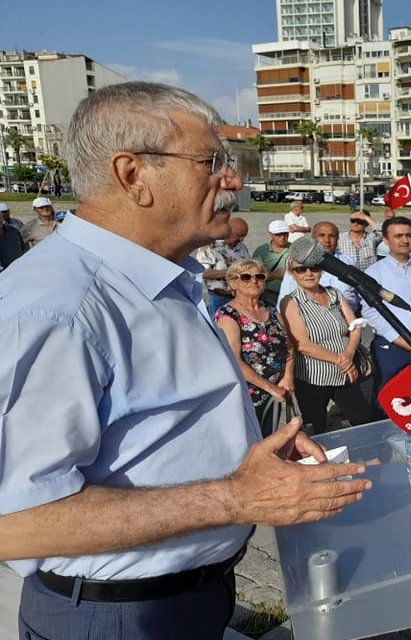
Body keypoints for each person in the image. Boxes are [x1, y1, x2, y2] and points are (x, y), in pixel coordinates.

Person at [0, 81, 369, 638]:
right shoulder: (58, 309)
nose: (233, 181)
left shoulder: (166, 278)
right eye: (211, 162)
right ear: (133, 175)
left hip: (191, 597)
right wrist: (235, 496)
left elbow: (157, 427)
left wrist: (250, 456)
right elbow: (15, 521)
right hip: (115, 617)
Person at [281, 254, 374, 434]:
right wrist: (341, 360)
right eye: (301, 269)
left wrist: (348, 354)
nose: (308, 273)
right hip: (313, 377)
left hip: (345, 372)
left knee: (363, 418)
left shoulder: (335, 294)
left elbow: (355, 326)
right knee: (316, 427)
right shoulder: (290, 302)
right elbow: (301, 344)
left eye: (314, 268)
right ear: (293, 274)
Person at [362, 216, 411, 396]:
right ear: (386, 240)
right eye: (398, 236)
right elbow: (370, 311)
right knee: (389, 397)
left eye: (408, 235)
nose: (405, 240)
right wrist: (397, 339)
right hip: (390, 346)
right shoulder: (374, 272)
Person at [215, 260, 295, 435]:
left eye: (259, 276)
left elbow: (289, 347)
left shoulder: (271, 310)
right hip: (251, 398)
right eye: (246, 277)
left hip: (281, 391)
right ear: (233, 283)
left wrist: (288, 377)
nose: (254, 281)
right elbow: (234, 361)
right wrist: (270, 388)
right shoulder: (228, 315)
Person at [277, 221, 359, 312]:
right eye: (322, 235)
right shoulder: (298, 264)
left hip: (350, 316)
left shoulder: (349, 262)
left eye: (332, 236)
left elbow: (359, 296)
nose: (327, 240)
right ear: (313, 238)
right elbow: (284, 302)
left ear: (337, 239)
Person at [197, 220, 249, 316]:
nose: (242, 239)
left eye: (244, 236)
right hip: (219, 297)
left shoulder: (242, 247)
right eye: (239, 235)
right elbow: (202, 272)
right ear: (229, 231)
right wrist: (232, 272)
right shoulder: (209, 247)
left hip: (240, 296)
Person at [252, 220, 290, 307]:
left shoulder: (295, 249)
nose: (282, 238)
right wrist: (274, 275)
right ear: (271, 234)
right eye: (278, 235)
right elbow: (253, 275)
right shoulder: (261, 251)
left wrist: (288, 274)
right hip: (267, 294)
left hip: (290, 293)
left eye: (285, 234)